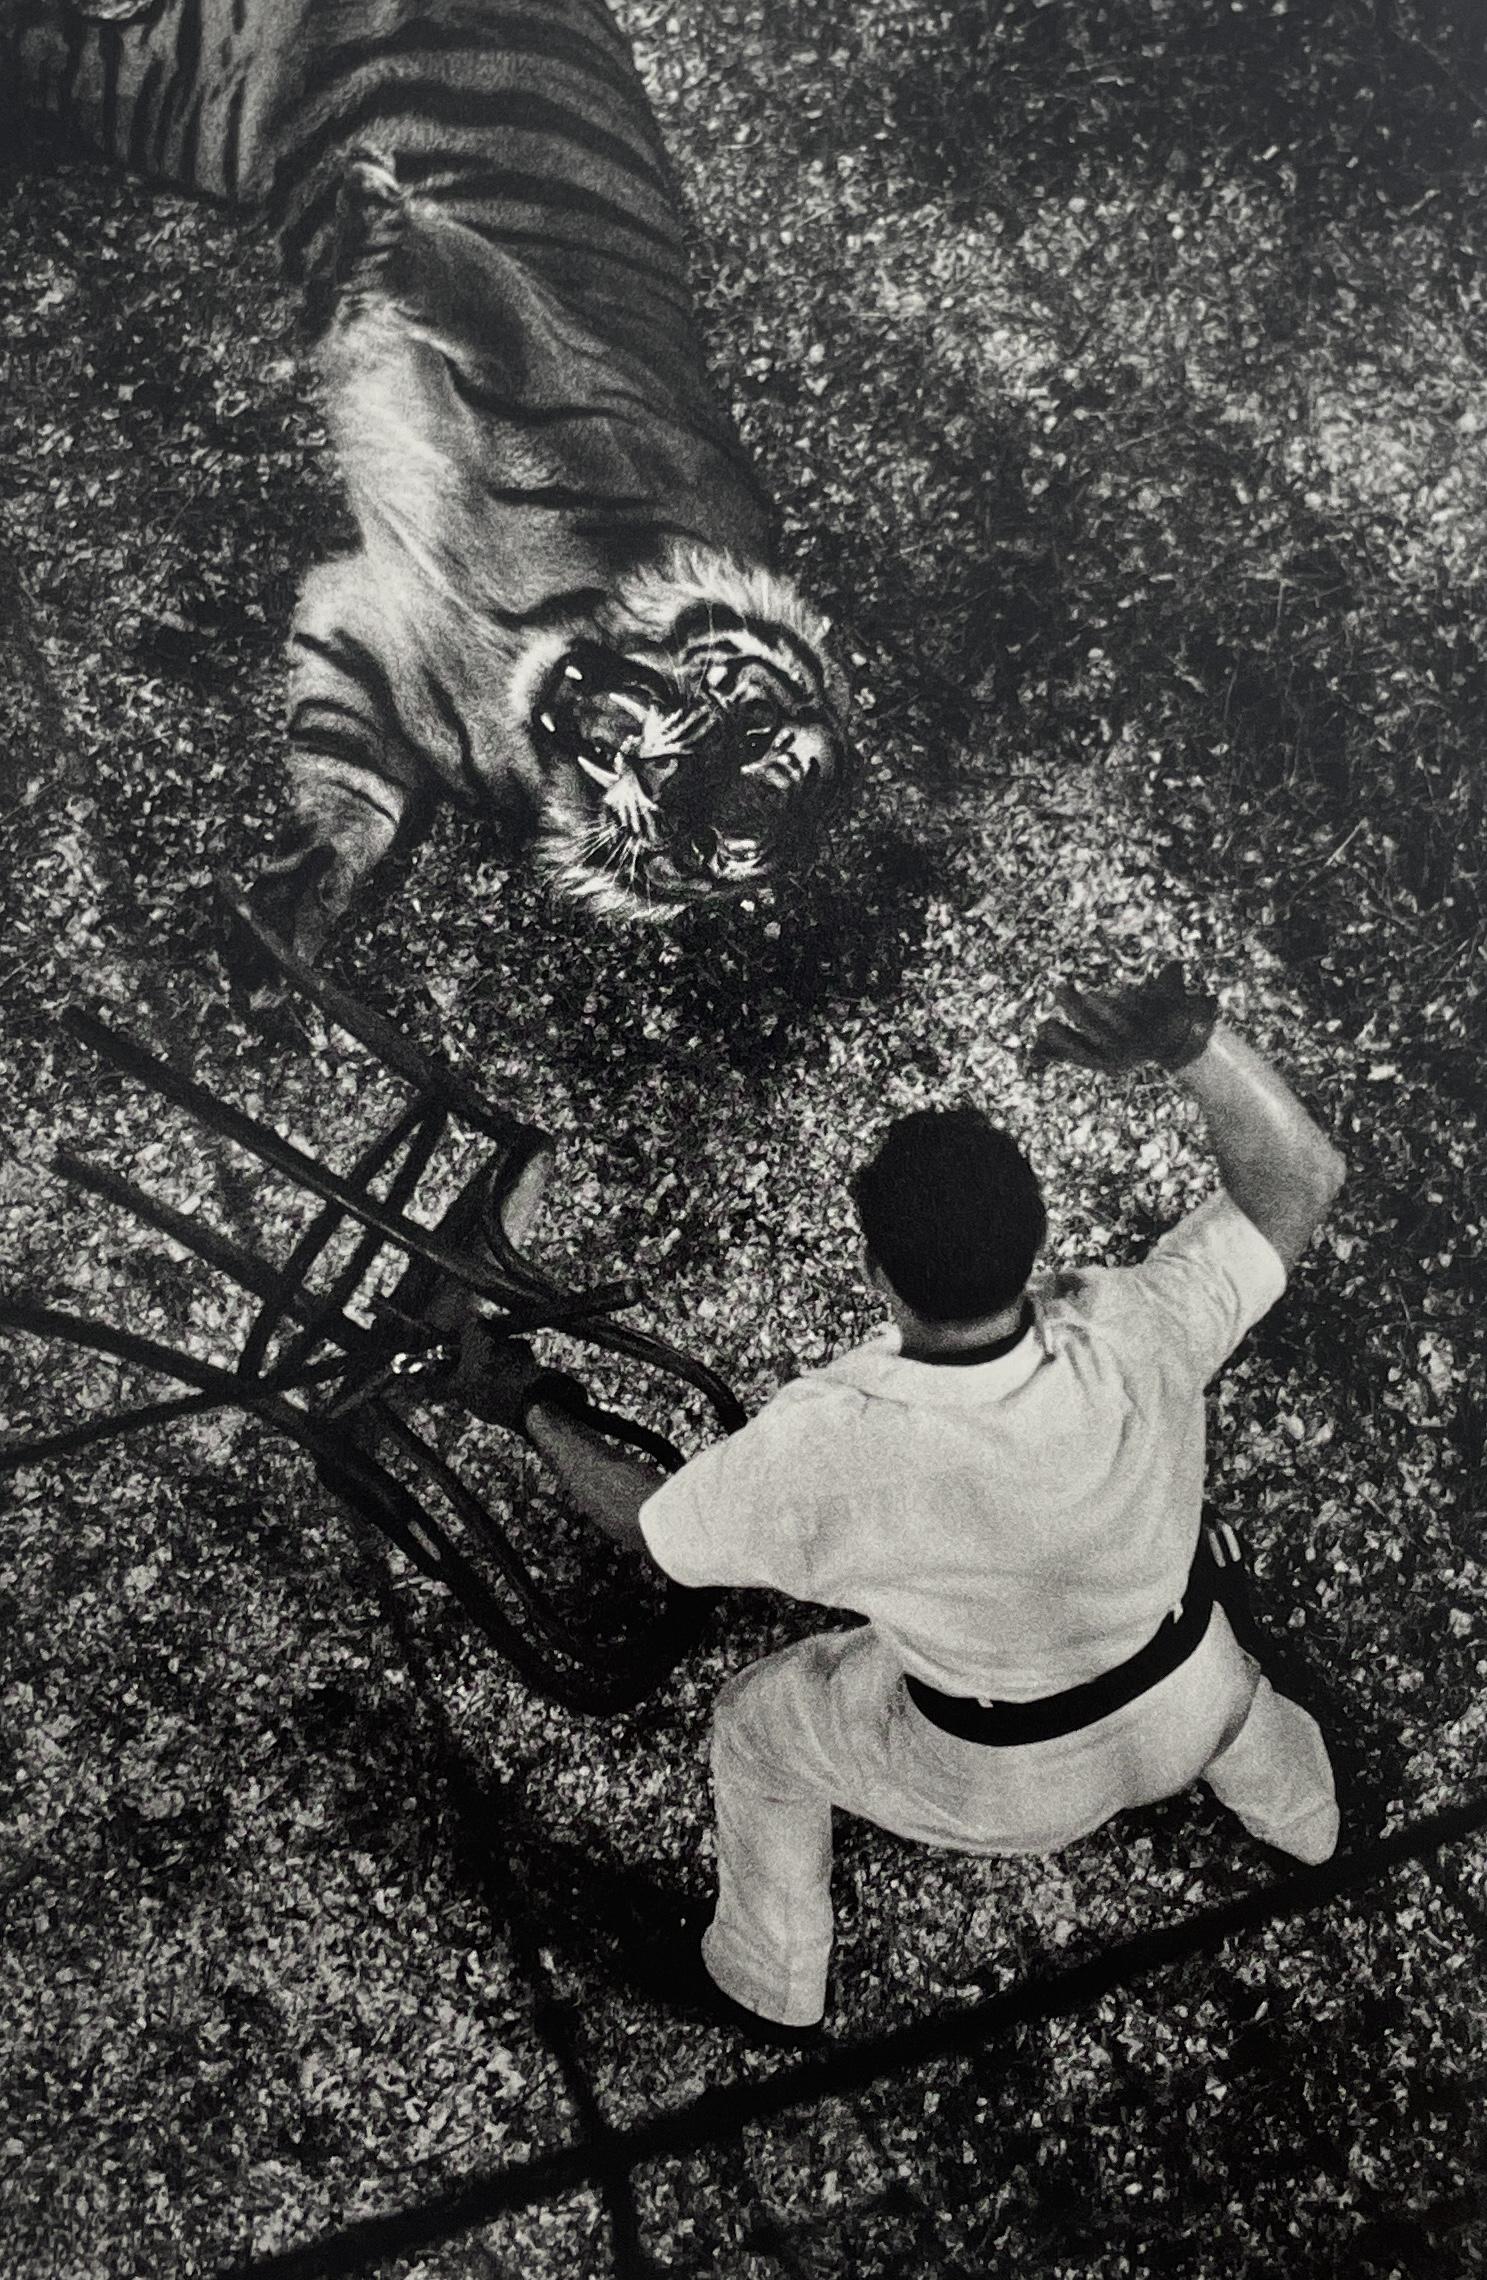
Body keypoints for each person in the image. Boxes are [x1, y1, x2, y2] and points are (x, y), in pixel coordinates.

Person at [463, 963, 1347, 2045]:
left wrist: (533, 1407)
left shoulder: (836, 1442)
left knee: (756, 1724)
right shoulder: (1132, 1327)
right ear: (1035, 1244)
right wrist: (1191, 1042)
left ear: (879, 1274)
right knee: (1230, 1703)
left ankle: (765, 1981)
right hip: (1189, 1693)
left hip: (1005, 1786)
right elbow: (1296, 1176)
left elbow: (655, 1535)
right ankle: (1309, 1824)